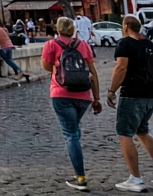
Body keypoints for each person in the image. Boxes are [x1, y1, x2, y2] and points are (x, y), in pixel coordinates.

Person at [43, 16, 102, 191]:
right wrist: (96, 98)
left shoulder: (51, 45)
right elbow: (93, 72)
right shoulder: (83, 45)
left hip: (61, 94)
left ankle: (81, 178)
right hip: (83, 96)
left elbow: (46, 66)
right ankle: (78, 171)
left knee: (71, 135)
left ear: (57, 28)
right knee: (74, 131)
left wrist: (59, 69)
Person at [108, 15, 153, 192]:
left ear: (126, 26)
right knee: (142, 131)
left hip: (132, 94)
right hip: (149, 94)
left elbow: (121, 67)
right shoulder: (149, 44)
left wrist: (112, 90)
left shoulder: (125, 44)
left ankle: (135, 179)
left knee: (124, 133)